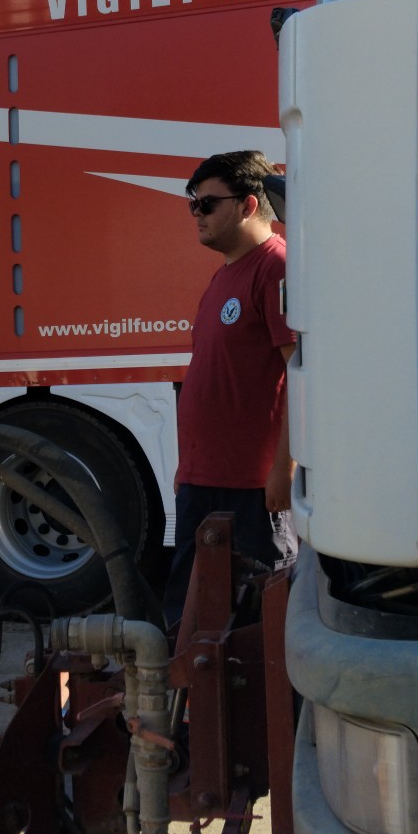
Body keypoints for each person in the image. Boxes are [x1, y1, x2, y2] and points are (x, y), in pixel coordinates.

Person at [165, 149, 296, 623]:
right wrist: (189, 469)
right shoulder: (223, 276)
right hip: (203, 485)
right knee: (192, 621)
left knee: (258, 628)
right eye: (192, 205)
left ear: (247, 205)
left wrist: (284, 469)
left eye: (207, 204)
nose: (196, 215)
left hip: (252, 492)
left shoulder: (275, 267)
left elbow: (301, 374)